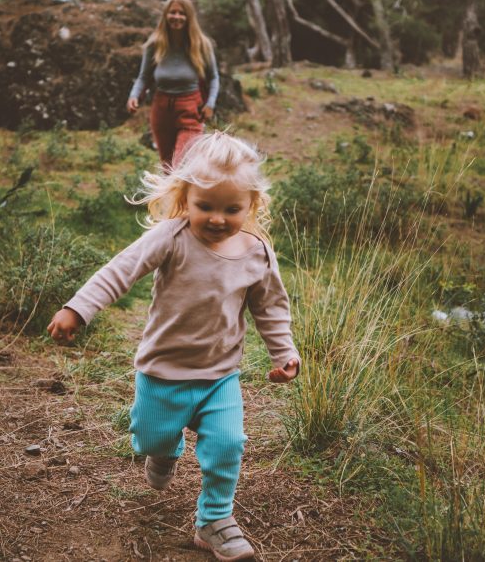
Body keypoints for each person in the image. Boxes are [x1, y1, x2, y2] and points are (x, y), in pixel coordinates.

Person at [47, 132, 300, 561]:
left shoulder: (256, 253)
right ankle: (164, 451)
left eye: (232, 208)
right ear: (185, 197)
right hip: (162, 372)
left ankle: (214, 521)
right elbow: (119, 271)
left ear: (252, 204)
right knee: (151, 436)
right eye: (206, 206)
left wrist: (284, 352)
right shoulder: (172, 237)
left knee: (227, 444)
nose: (218, 218)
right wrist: (79, 308)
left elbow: (271, 307)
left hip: (220, 375)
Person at [128, 0, 220, 169]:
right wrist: (133, 95)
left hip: (190, 110)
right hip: (161, 110)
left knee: (180, 164)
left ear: (189, 17)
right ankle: (175, 198)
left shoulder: (201, 45)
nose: (176, 17)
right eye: (173, 12)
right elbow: (144, 77)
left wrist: (210, 104)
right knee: (168, 167)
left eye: (181, 13)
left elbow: (214, 77)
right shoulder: (155, 44)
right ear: (165, 15)